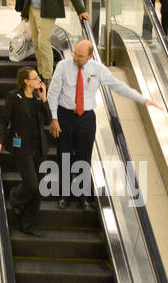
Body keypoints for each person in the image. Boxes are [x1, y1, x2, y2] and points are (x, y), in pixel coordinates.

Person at [48, 40, 158, 209]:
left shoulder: (98, 70)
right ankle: (64, 195)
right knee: (64, 155)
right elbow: (53, 93)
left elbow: (118, 86)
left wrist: (143, 99)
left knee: (84, 157)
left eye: (80, 56)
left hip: (86, 118)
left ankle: (83, 196)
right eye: (75, 54)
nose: (75, 58)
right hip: (64, 116)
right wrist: (54, 118)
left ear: (90, 56)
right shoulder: (63, 66)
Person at [0, 67, 51, 236]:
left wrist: (45, 99)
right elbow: (4, 121)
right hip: (22, 148)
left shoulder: (39, 97)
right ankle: (15, 197)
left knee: (38, 189)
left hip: (39, 147)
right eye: (35, 77)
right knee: (31, 184)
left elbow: (47, 121)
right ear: (26, 81)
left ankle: (29, 224)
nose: (39, 80)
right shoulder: (14, 97)